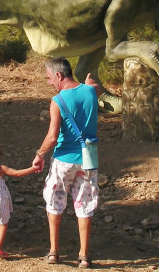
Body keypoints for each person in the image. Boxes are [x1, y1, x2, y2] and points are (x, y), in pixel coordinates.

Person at [32, 57, 99, 269]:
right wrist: (88, 85)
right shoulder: (91, 92)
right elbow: (95, 89)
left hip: (64, 159)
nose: (50, 83)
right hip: (88, 159)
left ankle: (54, 251)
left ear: (59, 76)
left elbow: (52, 137)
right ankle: (84, 255)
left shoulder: (57, 101)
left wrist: (40, 154)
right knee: (85, 204)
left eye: (50, 78)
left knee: (55, 201)